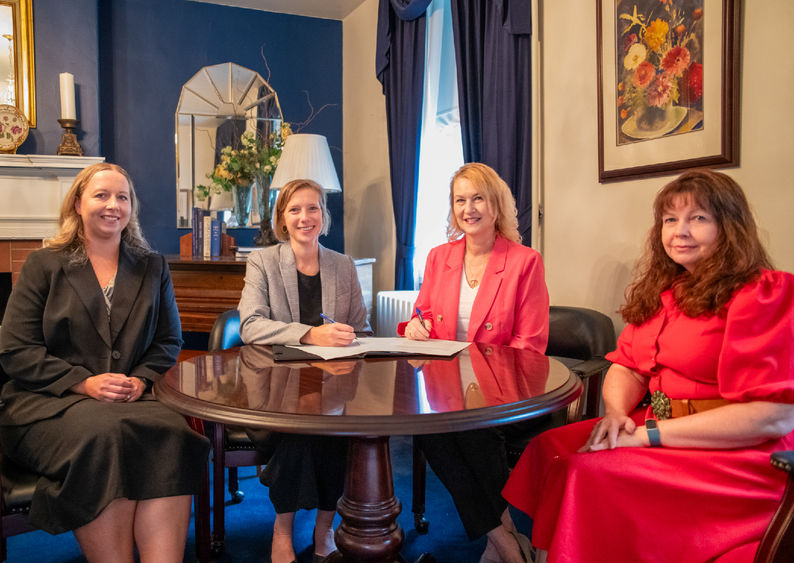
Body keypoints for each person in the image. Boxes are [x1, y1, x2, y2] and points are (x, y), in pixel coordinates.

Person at [502, 169, 794, 563]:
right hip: (656, 426)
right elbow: (627, 366)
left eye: (698, 218)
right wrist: (618, 414)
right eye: (670, 220)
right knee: (548, 447)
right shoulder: (664, 293)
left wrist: (647, 436)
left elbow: (773, 418)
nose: (680, 231)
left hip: (734, 454)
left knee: (585, 471)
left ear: (730, 226)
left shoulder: (762, 292)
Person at [0, 162, 210, 562]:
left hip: (130, 398)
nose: (113, 205)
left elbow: (169, 340)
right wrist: (83, 383)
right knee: (104, 437)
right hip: (49, 401)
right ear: (77, 203)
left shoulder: (151, 267)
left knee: (176, 434)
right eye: (101, 195)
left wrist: (142, 380)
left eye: (122, 197)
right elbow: (15, 349)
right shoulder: (43, 265)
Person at [400, 162, 549, 563]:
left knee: (469, 433)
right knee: (431, 430)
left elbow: (530, 344)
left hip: (504, 394)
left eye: (477, 198)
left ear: (495, 205)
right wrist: (417, 323)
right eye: (460, 200)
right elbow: (426, 312)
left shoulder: (524, 262)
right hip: (447, 389)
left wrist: (487, 389)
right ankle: (509, 542)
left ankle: (503, 547)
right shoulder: (438, 257)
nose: (469, 208)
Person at [237, 178, 371, 563]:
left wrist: (349, 338)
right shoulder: (262, 261)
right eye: (295, 209)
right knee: (299, 433)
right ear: (282, 218)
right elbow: (250, 327)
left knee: (339, 430)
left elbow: (362, 329)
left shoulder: (343, 266)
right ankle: (283, 531)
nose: (304, 217)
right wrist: (311, 334)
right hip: (276, 389)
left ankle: (324, 529)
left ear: (324, 217)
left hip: (334, 384)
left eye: (313, 208)